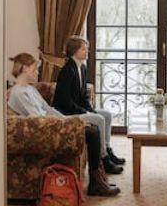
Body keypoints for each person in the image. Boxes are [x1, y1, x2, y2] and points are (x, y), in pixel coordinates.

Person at [7, 53, 120, 196]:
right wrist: (67, 125)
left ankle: (97, 179)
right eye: (34, 69)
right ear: (24, 69)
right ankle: (96, 183)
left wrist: (69, 121)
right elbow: (38, 118)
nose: (38, 72)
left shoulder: (30, 89)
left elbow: (48, 109)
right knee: (92, 133)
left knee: (92, 128)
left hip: (52, 125)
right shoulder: (18, 93)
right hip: (44, 132)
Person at [53, 36, 125, 175]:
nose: (87, 52)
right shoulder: (67, 71)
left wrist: (90, 110)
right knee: (99, 119)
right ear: (74, 51)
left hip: (77, 109)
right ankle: (104, 159)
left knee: (106, 115)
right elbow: (65, 101)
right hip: (67, 113)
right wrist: (84, 112)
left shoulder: (83, 68)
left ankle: (107, 149)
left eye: (87, 49)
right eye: (83, 49)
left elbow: (83, 96)